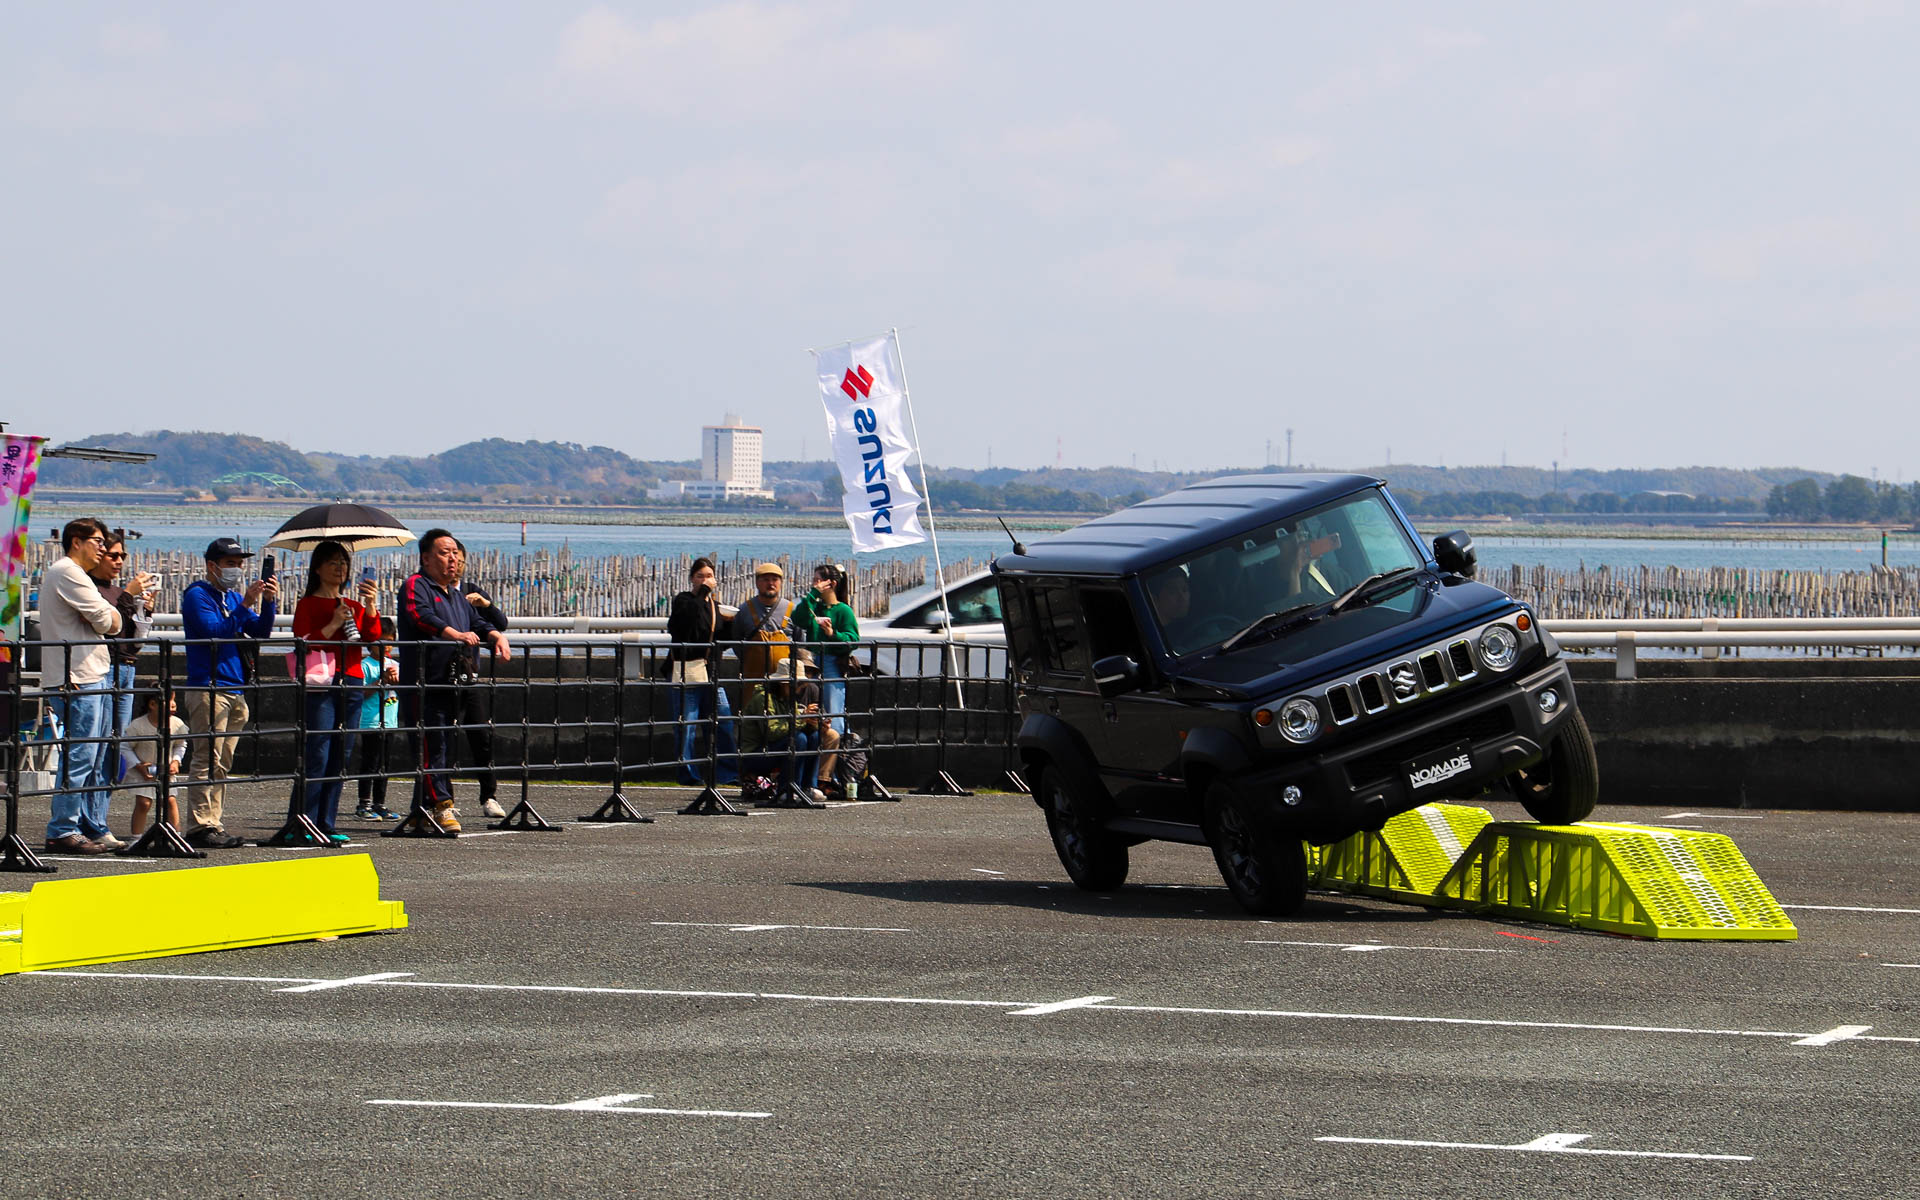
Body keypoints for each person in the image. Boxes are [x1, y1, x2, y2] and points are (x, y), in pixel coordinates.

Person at [396, 529, 511, 833]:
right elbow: (419, 616)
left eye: (455, 553)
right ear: (426, 558)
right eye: (445, 552)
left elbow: (478, 623)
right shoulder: (416, 585)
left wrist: (495, 635)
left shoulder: (458, 596)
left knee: (444, 746)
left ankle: (421, 810)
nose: (453, 558)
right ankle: (443, 807)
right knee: (430, 746)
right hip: (424, 682)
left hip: (454, 682)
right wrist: (454, 634)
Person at [179, 536, 278, 849]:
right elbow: (214, 633)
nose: (236, 570)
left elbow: (259, 631)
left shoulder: (233, 598)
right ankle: (198, 824)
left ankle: (214, 821)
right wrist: (247, 603)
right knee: (205, 758)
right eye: (230, 564)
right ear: (212, 565)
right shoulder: (197, 595)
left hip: (234, 687)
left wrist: (269, 602)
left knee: (223, 760)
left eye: (239, 564)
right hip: (208, 686)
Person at [39, 518, 125, 854]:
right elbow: (108, 621)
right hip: (77, 677)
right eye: (98, 541)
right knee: (80, 755)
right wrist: (112, 611)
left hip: (88, 673)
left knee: (90, 755)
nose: (103, 548)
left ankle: (78, 825)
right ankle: (63, 828)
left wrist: (108, 615)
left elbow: (108, 621)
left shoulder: (72, 574)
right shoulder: (69, 572)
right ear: (77, 541)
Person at [291, 540, 380, 844]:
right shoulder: (308, 604)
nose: (340, 568)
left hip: (352, 678)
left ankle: (327, 821)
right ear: (317, 568)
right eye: (332, 562)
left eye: (343, 563)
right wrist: (332, 624)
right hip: (322, 680)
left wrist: (369, 607)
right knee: (318, 749)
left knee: (342, 752)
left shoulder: (352, 605)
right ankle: (305, 820)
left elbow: (372, 639)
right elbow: (304, 640)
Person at [86, 529, 158, 768]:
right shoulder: (92, 591)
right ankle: (94, 793)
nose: (119, 562)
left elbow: (135, 642)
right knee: (102, 737)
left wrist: (144, 612)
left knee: (119, 740)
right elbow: (109, 627)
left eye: (122, 557)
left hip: (127, 667)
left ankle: (104, 793)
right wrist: (128, 596)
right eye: (113, 556)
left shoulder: (118, 593)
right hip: (106, 668)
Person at [666, 557, 738, 786]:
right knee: (687, 724)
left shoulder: (716, 607)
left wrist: (735, 625)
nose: (705, 580)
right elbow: (682, 625)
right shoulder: (684, 601)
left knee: (722, 722)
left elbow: (721, 640)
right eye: (700, 576)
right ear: (691, 579)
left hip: (711, 673)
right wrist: (701, 594)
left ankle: (727, 773)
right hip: (687, 672)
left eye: (709, 576)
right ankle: (688, 773)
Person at [450, 539, 507, 818]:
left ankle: (489, 796)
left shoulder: (471, 592)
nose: (455, 564)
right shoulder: (438, 594)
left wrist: (487, 604)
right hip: (444, 675)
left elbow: (500, 623)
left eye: (459, 559)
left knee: (481, 735)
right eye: (450, 557)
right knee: (444, 736)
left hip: (469, 673)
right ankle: (443, 798)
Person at [788, 562, 858, 783]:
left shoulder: (843, 610)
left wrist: (833, 634)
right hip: (812, 659)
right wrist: (811, 595)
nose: (815, 583)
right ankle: (814, 775)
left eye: (819, 580)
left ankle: (835, 774)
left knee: (833, 716)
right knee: (809, 710)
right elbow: (798, 618)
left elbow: (852, 640)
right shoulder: (814, 607)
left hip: (830, 662)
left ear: (832, 584)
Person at [737, 656, 829, 801]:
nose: (800, 689)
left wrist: (814, 723)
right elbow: (772, 732)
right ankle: (788, 788)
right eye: (797, 684)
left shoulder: (788, 698)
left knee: (813, 737)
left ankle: (808, 786)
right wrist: (801, 719)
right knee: (798, 740)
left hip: (775, 747)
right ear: (782, 683)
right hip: (756, 753)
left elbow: (794, 724)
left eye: (801, 684)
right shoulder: (763, 698)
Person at [353, 619, 403, 822]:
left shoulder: (396, 665)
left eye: (389, 641)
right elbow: (361, 693)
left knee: (385, 764)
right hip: (371, 722)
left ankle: (379, 803)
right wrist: (381, 680)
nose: (385, 646)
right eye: (379, 641)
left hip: (390, 721)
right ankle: (363, 803)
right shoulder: (364, 665)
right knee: (370, 763)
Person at [121, 691, 188, 837]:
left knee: (169, 801)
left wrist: (176, 761)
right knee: (144, 803)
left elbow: (181, 744)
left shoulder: (177, 724)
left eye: (174, 700)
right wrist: (138, 765)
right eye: (169, 700)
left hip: (166, 770)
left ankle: (175, 836)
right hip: (142, 772)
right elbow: (125, 746)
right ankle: (137, 838)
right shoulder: (138, 725)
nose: (174, 704)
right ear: (152, 705)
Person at [730, 562, 793, 680]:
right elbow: (736, 639)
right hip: (753, 676)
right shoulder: (745, 609)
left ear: (781, 583)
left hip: (785, 677)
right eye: (765, 580)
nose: (771, 584)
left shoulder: (791, 609)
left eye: (775, 579)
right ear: (757, 583)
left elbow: (800, 643)